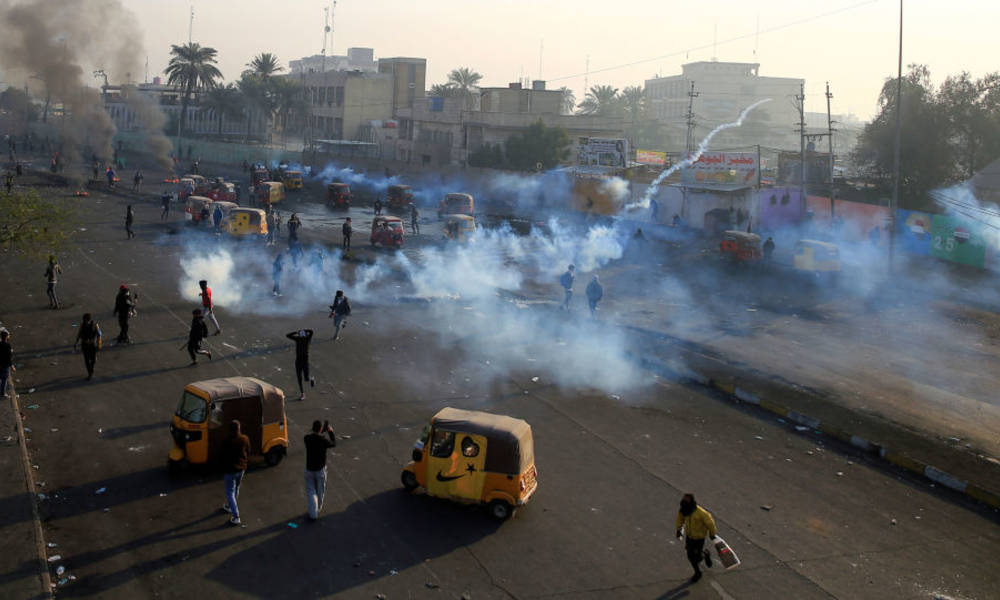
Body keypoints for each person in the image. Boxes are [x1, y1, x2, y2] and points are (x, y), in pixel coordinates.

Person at [675, 493, 718, 583]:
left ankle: (705, 554)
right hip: (689, 537)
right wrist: (679, 529)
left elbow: (710, 523)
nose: (684, 501)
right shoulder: (684, 510)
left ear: (691, 501)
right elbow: (680, 518)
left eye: (686, 500)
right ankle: (698, 572)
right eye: (684, 499)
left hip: (699, 538)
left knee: (697, 558)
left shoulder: (701, 513)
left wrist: (712, 534)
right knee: (690, 556)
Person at [303, 419, 337, 521]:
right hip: (320, 470)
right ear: (321, 429)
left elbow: (313, 435)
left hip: (309, 469)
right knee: (320, 490)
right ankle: (318, 508)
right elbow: (333, 443)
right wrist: (330, 431)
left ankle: (313, 513)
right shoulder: (323, 441)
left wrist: (321, 430)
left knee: (311, 491)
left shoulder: (307, 439)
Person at [221, 420, 250, 526]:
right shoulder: (245, 439)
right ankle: (230, 506)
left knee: (230, 492)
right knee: (236, 488)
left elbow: (221, 455)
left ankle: (236, 515)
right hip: (241, 468)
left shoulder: (226, 441)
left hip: (230, 470)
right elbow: (248, 451)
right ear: (239, 429)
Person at [286, 329, 315, 400]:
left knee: (306, 379)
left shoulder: (308, 339)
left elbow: (311, 331)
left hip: (305, 361)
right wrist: (296, 332)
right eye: (300, 335)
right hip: (298, 360)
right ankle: (302, 394)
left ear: (305, 335)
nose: (302, 336)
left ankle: (312, 379)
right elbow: (288, 335)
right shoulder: (297, 339)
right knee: (299, 378)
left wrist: (303, 331)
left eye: (303, 335)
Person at [73, 313, 102, 380]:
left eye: (86, 320)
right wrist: (76, 343)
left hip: (92, 344)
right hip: (85, 344)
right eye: (84, 320)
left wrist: (99, 344)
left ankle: (91, 368)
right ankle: (90, 373)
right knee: (86, 360)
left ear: (89, 320)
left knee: (93, 359)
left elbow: (99, 334)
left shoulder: (95, 325)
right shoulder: (82, 325)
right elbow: (79, 334)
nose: (85, 322)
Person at [0, 328, 14, 399]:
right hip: (5, 365)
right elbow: (8, 358)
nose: (9, 336)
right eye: (8, 335)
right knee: (4, 380)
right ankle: (2, 393)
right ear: (6, 337)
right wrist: (12, 366)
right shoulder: (7, 346)